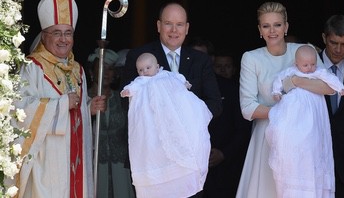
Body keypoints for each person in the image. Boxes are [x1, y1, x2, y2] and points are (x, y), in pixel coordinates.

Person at [236, 2, 335, 198]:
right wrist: (283, 113)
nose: (272, 31)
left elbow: (329, 87)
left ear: (286, 27)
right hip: (268, 137)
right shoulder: (251, 58)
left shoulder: (305, 51)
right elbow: (248, 108)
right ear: (260, 30)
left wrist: (297, 81)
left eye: (277, 25)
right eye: (266, 26)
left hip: (304, 139)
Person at [14, 0, 107, 197]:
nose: (63, 39)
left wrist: (88, 107)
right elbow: (19, 110)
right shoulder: (32, 67)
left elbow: (76, 111)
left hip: (75, 162)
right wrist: (61, 105)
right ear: (44, 35)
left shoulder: (78, 70)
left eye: (68, 33)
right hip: (46, 165)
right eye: (57, 33)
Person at [283, 14, 344, 197]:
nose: (338, 49)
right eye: (333, 43)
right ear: (324, 38)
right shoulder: (305, 68)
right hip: (308, 161)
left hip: (343, 164)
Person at [121, 53, 212, 198]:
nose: (144, 72)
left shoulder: (166, 75)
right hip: (150, 121)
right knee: (153, 143)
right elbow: (132, 86)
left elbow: (179, 78)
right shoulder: (141, 81)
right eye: (140, 70)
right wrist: (127, 91)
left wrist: (184, 83)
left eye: (148, 68)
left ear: (157, 67)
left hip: (169, 116)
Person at [266, 44, 344, 197]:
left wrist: (340, 88)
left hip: (314, 113)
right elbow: (279, 79)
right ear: (297, 64)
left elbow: (329, 79)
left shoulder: (318, 71)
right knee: (291, 145)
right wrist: (276, 92)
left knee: (313, 147)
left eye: (312, 64)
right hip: (294, 114)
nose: (310, 68)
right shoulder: (291, 71)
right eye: (305, 65)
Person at [120, 2, 222, 120]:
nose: (174, 30)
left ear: (187, 28)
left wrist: (190, 118)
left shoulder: (201, 60)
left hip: (191, 135)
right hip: (153, 134)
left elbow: (215, 104)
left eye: (179, 24)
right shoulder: (138, 56)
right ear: (159, 26)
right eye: (168, 23)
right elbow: (126, 102)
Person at [189, 40, 252, 197]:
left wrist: (223, 153)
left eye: (201, 56)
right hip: (186, 170)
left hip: (222, 171)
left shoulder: (231, 88)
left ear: (211, 59)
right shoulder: (176, 88)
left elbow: (243, 129)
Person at [87, 48, 135, 198]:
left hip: (121, 167)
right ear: (91, 72)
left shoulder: (123, 99)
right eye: (101, 68)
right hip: (94, 168)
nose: (106, 73)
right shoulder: (84, 100)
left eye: (110, 69)